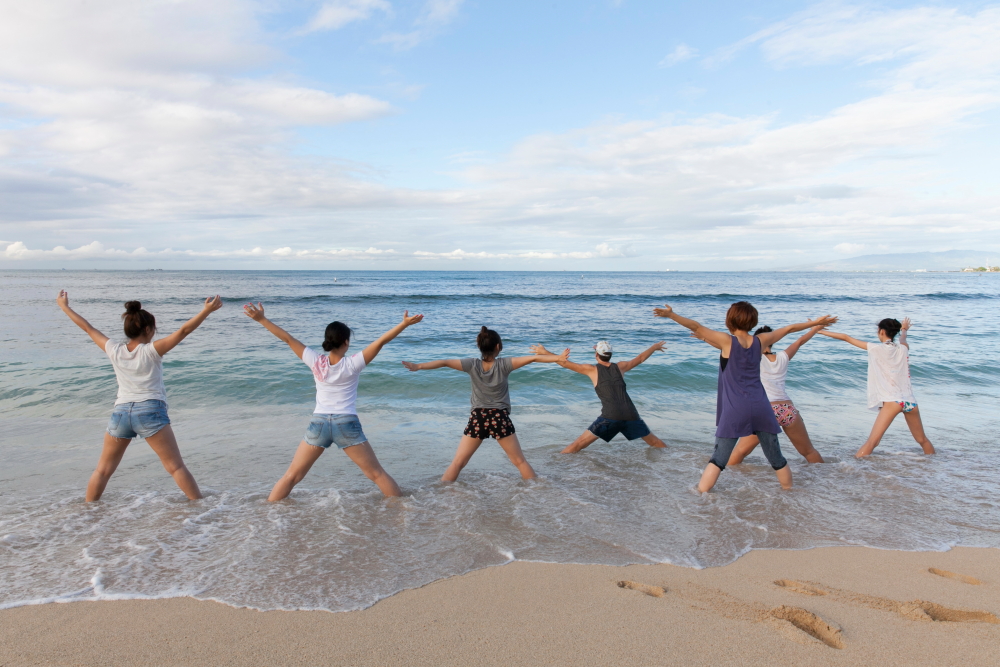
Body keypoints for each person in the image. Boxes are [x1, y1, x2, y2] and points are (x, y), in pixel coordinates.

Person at [244, 303, 423, 499]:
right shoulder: (353, 363)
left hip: (319, 423)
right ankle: (404, 512)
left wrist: (262, 320)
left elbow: (288, 339)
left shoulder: (315, 360)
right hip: (346, 424)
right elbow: (381, 341)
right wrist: (404, 324)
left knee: (292, 476)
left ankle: (268, 515)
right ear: (346, 341)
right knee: (377, 474)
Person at [56, 291, 222, 501]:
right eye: (154, 328)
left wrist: (64, 307)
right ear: (147, 329)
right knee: (176, 467)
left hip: (121, 414)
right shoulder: (151, 351)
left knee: (103, 471)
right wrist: (206, 311)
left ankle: (87, 513)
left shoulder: (114, 349)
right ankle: (201, 507)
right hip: (150, 412)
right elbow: (183, 330)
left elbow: (88, 328)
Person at [653, 301, 836, 492]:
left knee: (719, 459)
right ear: (753, 321)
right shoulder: (761, 341)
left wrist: (671, 316)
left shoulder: (726, 341)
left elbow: (696, 326)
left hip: (735, 409)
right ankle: (789, 493)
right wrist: (815, 323)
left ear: (729, 320)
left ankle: (701, 498)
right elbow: (790, 329)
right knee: (776, 458)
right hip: (762, 408)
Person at [402, 327, 568, 482]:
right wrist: (557, 358)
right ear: (498, 347)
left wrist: (418, 366)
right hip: (499, 417)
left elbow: (444, 362)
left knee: (458, 463)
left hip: (478, 418)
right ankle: (537, 492)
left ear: (479, 346)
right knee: (520, 462)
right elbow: (533, 358)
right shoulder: (504, 364)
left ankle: (440, 494)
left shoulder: (472, 364)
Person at [818, 317, 935, 458]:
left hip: (893, 402)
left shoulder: (876, 348)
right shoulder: (903, 348)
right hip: (910, 401)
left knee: (872, 441)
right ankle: (935, 465)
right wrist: (904, 329)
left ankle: (853, 470)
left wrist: (820, 331)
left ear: (882, 331)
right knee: (922, 440)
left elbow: (846, 338)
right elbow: (903, 339)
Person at [529, 340, 668, 453]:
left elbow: (563, 362)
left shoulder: (592, 369)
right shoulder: (621, 367)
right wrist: (654, 347)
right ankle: (674, 459)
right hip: (631, 414)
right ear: (610, 355)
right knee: (655, 443)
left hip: (610, 416)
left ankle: (556, 466)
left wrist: (545, 352)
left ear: (597, 355)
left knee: (577, 445)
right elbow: (641, 358)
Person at [719, 325, 825, 464]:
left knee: (740, 452)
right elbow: (800, 341)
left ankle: (728, 481)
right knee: (809, 451)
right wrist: (816, 328)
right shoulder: (783, 357)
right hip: (788, 409)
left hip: (766, 411)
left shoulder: (752, 358)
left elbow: (728, 347)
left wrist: (703, 337)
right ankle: (828, 480)